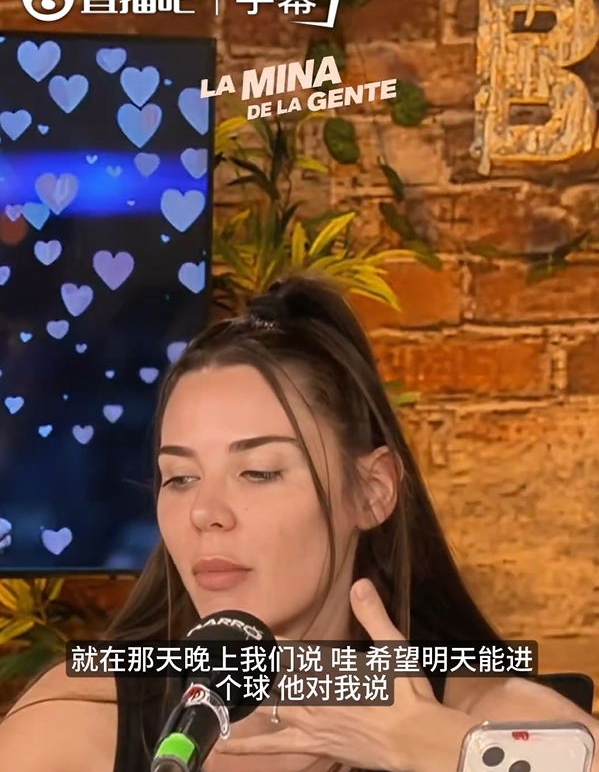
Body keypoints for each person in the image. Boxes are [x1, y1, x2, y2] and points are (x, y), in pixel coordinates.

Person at [0, 274, 597, 772]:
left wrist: (443, 752)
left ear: (372, 491)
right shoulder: (79, 721)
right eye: (179, 478)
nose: (205, 513)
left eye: (259, 472)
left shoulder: (485, 714)